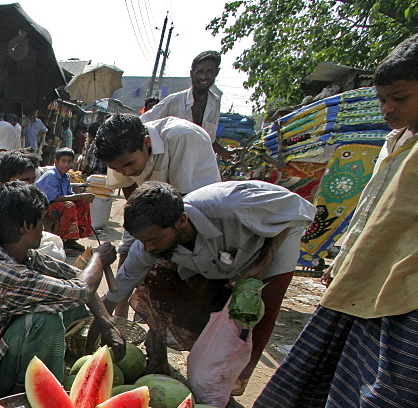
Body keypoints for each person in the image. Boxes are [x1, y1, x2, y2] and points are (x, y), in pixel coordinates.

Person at [234, 35, 418, 408]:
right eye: (383, 99)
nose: (387, 109)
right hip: (361, 285)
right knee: (321, 380)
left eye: (399, 98)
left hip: (404, 301)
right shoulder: (398, 143)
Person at [102, 181, 313, 391]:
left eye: (154, 240)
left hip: (274, 238)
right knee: (166, 282)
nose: (148, 247)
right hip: (223, 255)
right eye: (143, 241)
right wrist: (101, 321)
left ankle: (233, 381)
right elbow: (122, 283)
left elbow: (296, 211)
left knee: (262, 310)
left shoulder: (233, 206)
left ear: (182, 220)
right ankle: (162, 360)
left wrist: (262, 264)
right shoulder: (150, 242)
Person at [0, 181, 122, 397]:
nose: (44, 228)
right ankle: (26, 394)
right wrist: (98, 259)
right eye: (41, 222)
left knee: (66, 304)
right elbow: (82, 289)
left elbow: (74, 278)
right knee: (46, 320)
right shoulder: (5, 272)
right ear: (25, 226)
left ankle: (40, 375)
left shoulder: (18, 254)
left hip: (2, 351)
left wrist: (106, 323)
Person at [95, 113, 221, 315]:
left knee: (167, 270)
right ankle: (120, 315)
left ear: (146, 142)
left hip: (190, 210)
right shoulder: (120, 151)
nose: (125, 172)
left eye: (129, 164)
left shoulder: (181, 137)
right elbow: (131, 194)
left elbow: (177, 204)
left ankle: (156, 326)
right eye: (116, 168)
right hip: (150, 205)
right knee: (129, 250)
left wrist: (151, 242)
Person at [0, 149, 69, 288]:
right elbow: (3, 275)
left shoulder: (20, 216)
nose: (31, 187)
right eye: (24, 182)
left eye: (33, 181)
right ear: (2, 186)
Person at [142, 51, 232, 157]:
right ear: (192, 73)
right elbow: (143, 122)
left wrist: (226, 153)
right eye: (200, 71)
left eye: (209, 72)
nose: (204, 77)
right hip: (171, 163)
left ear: (216, 73)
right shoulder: (175, 100)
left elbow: (209, 140)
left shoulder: (214, 103)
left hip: (198, 165)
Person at [35, 147, 94, 245]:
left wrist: (82, 198)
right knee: (69, 205)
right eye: (63, 161)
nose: (66, 164)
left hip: (57, 205)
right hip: (44, 207)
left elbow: (69, 194)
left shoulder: (66, 176)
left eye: (69, 161)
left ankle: (73, 238)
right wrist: (79, 196)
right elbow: (54, 199)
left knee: (82, 203)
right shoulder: (51, 175)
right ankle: (65, 239)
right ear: (56, 162)